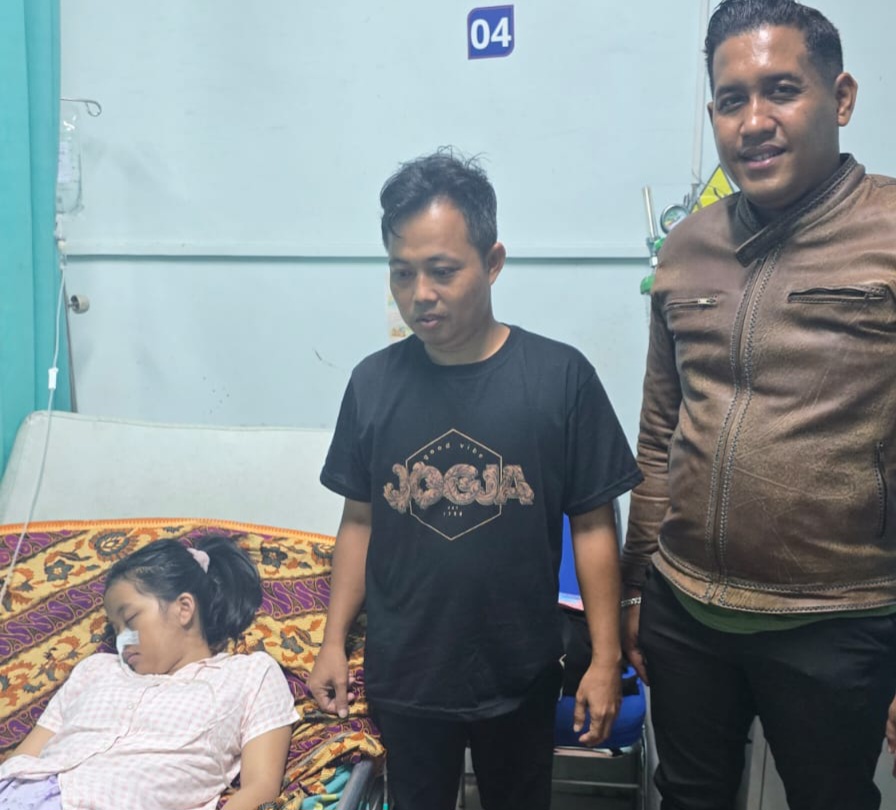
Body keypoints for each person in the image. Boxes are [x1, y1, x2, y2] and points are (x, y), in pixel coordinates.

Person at [620, 2, 896, 809]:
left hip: (838, 619)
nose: (753, 121)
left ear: (840, 98)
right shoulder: (688, 248)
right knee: (688, 797)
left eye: (782, 89)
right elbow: (659, 435)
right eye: (731, 99)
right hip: (684, 611)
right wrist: (637, 589)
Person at [307, 149, 642, 810]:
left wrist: (605, 660)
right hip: (407, 673)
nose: (419, 294)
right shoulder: (373, 384)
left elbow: (594, 525)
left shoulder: (559, 378)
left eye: (442, 271)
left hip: (519, 671)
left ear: (492, 262)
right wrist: (332, 643)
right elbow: (359, 521)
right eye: (402, 273)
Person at [0, 536, 297, 810]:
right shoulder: (96, 670)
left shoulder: (249, 675)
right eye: (115, 630)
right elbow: (24, 758)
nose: (122, 640)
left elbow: (261, 787)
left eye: (130, 620)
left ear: (184, 608)